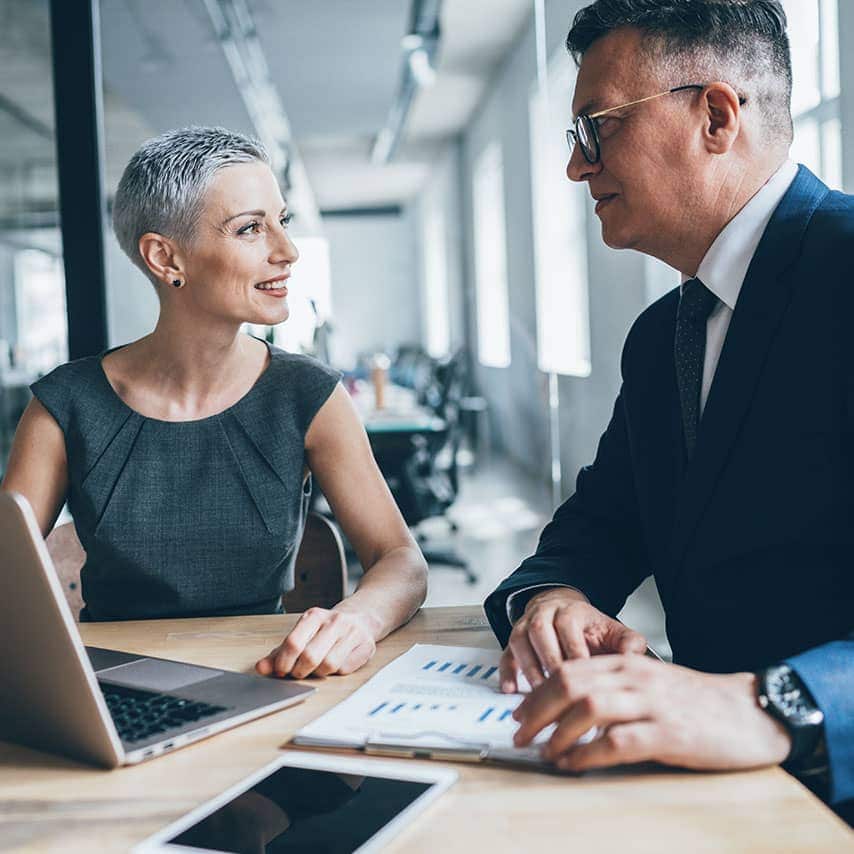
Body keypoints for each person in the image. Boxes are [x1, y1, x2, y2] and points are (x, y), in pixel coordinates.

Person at [484, 0, 853, 820]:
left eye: (598, 128)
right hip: (716, 795)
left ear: (716, 116)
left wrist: (771, 705)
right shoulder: (663, 335)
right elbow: (603, 524)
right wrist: (551, 599)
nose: (578, 168)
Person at [1, 126, 427, 680]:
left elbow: (402, 561)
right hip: (113, 688)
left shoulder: (309, 395)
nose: (287, 251)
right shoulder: (65, 406)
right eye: (250, 228)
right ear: (164, 257)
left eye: (283, 221)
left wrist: (359, 620)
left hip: (269, 677)